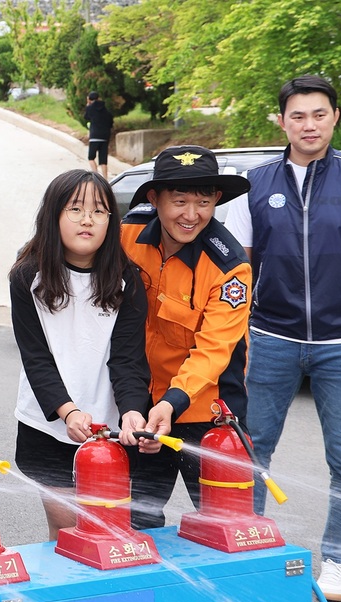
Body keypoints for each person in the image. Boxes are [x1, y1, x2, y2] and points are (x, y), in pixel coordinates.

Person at [225, 74, 341, 602]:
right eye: (298, 115)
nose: (309, 124)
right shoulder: (254, 183)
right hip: (270, 337)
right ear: (281, 121)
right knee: (250, 450)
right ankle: (247, 548)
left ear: (335, 117)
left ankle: (340, 562)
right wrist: (239, 339)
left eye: (319, 114)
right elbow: (237, 269)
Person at [10, 168, 151, 541]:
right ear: (53, 216)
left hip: (111, 428)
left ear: (111, 221)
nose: (87, 219)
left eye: (99, 211)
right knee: (66, 527)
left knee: (108, 531)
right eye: (75, 209)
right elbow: (35, 356)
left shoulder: (128, 279)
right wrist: (67, 411)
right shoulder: (27, 277)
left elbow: (128, 359)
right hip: (50, 424)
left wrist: (134, 411)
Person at [119, 145, 252, 531]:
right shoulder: (127, 233)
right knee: (136, 517)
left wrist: (171, 404)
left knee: (225, 524)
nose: (191, 215)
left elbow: (214, 352)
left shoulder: (230, 267)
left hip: (206, 413)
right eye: (179, 201)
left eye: (204, 202)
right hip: (141, 404)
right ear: (154, 199)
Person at [85, 91, 113, 180]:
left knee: (91, 157)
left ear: (89, 99)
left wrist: (87, 105)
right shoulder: (106, 110)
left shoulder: (90, 108)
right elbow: (110, 123)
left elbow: (86, 117)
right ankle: (105, 179)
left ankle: (96, 177)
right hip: (105, 137)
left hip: (94, 136)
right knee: (103, 160)